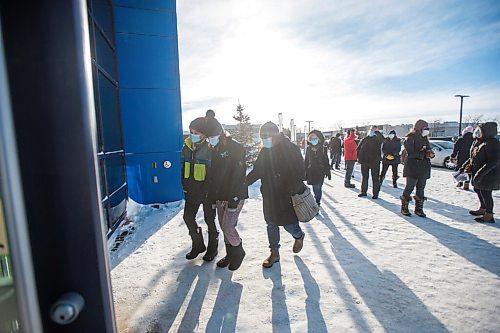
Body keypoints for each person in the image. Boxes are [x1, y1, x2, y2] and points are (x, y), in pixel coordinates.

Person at [247, 122, 306, 268]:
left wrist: (292, 189)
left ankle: (299, 236)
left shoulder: (291, 149)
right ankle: (274, 253)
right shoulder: (265, 151)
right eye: (262, 137)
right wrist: (243, 182)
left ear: (276, 135)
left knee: (289, 225)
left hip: (287, 196)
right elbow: (257, 170)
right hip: (269, 195)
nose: (264, 140)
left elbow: (300, 172)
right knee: (271, 224)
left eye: (266, 136)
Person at [205, 115, 248, 270]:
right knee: (224, 227)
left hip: (234, 195)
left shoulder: (236, 148)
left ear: (221, 133)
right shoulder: (214, 148)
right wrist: (211, 198)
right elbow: (213, 175)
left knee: (229, 227)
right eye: (208, 137)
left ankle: (239, 251)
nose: (210, 140)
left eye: (212, 136)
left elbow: (239, 175)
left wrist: (234, 197)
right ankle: (230, 254)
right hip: (220, 196)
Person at [181, 117, 218, 260]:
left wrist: (211, 190)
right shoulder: (186, 148)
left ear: (203, 134)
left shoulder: (210, 149)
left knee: (210, 220)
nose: (192, 134)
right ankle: (198, 244)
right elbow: (183, 168)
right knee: (188, 217)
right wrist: (184, 185)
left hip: (208, 193)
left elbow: (215, 172)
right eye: (191, 131)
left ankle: (212, 249)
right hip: (191, 190)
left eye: (196, 132)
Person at [461, 122, 499, 223]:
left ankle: (489, 215)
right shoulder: (478, 141)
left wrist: (480, 173)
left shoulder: (492, 143)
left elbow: (493, 161)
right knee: (478, 189)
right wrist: (464, 166)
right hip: (477, 171)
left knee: (486, 193)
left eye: (480, 130)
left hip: (488, 174)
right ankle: (483, 208)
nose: (477, 131)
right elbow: (472, 157)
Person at [400, 119, 434, 217]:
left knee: (421, 188)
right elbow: (410, 153)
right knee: (409, 186)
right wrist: (423, 153)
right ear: (419, 128)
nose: (427, 130)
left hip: (424, 167)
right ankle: (404, 207)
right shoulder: (410, 138)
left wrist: (431, 154)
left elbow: (428, 149)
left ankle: (419, 209)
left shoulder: (425, 138)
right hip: (413, 166)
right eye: (425, 128)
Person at [304, 130, 331, 206]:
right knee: (314, 187)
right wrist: (304, 173)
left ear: (319, 139)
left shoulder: (323, 149)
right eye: (312, 138)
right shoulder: (308, 149)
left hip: (320, 171)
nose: (314, 140)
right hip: (311, 171)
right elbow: (306, 161)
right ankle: (316, 199)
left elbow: (326, 161)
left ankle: (317, 202)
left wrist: (328, 172)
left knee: (318, 187)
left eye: (315, 138)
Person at [356, 125, 382, 199]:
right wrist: (359, 159)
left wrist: (377, 132)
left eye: (373, 130)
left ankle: (375, 193)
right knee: (364, 177)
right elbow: (358, 149)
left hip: (375, 161)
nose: (371, 131)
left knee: (375, 178)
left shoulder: (377, 139)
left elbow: (382, 140)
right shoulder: (365, 139)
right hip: (365, 161)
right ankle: (363, 191)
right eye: (371, 130)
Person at [451, 126, 474, 190]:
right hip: (470, 158)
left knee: (461, 170)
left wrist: (453, 156)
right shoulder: (474, 139)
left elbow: (456, 148)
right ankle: (466, 184)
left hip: (461, 157)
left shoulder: (461, 139)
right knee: (468, 170)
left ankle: (460, 182)